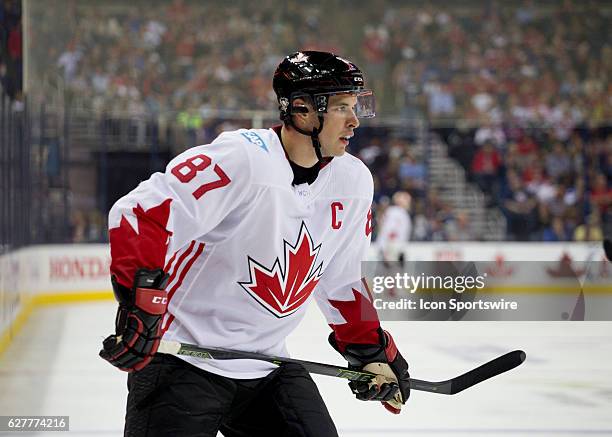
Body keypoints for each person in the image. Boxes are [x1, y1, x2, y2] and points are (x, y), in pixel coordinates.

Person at [99, 51, 410, 437]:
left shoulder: (354, 182)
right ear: (302, 111)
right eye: (342, 106)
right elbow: (140, 213)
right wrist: (141, 302)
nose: (354, 119)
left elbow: (342, 280)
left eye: (356, 105)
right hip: (181, 360)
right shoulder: (242, 158)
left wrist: (369, 350)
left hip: (268, 365)